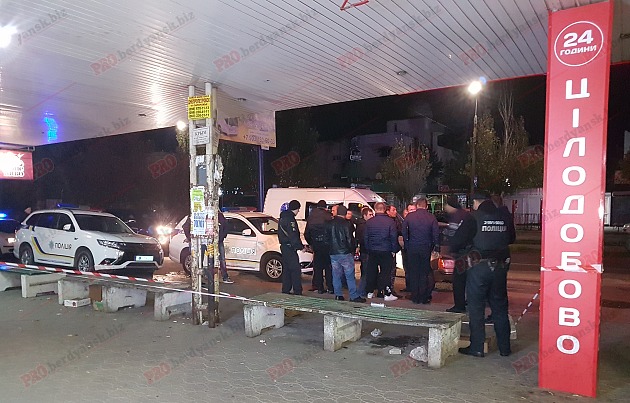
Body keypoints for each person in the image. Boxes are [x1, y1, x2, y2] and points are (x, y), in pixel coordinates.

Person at [459, 192, 515, 358]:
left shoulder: (473, 217)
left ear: (476, 202)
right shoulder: (504, 216)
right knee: (500, 307)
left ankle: (477, 347)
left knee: (476, 307)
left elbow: (459, 241)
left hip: (479, 266)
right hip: (500, 267)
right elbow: (511, 238)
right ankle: (505, 348)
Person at [442, 195, 476, 313]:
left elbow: (452, 233)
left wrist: (446, 241)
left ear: (450, 206)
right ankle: (469, 301)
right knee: (469, 279)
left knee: (458, 281)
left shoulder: (457, 216)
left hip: (462, 253)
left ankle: (459, 305)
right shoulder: (465, 215)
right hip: (471, 252)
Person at [402, 197, 439, 304]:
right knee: (424, 273)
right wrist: (435, 246)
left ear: (417, 205)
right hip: (425, 247)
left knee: (414, 272)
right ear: (426, 206)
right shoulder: (431, 217)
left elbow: (404, 231)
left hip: (412, 247)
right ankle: (423, 297)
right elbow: (435, 234)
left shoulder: (410, 217)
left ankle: (415, 296)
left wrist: (407, 243)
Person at [326, 205, 365, 302]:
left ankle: (338, 295)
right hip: (345, 252)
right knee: (349, 275)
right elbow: (349, 239)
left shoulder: (329, 223)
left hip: (333, 252)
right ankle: (353, 296)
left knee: (336, 274)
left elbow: (326, 238)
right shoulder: (346, 224)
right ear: (345, 213)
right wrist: (353, 249)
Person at [364, 202, 399, 301]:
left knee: (371, 271)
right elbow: (393, 237)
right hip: (386, 250)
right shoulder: (390, 222)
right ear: (384, 209)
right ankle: (387, 293)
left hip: (372, 250)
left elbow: (366, 237)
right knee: (386, 273)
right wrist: (394, 250)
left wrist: (368, 248)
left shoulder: (369, 222)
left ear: (375, 209)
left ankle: (370, 292)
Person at [304, 200, 333, 294]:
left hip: (316, 245)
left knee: (318, 268)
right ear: (325, 207)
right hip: (327, 246)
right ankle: (330, 287)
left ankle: (320, 287)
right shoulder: (328, 216)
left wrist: (312, 243)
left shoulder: (311, 216)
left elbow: (306, 233)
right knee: (328, 267)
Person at [278, 200, 305, 295]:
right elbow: (293, 235)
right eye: (298, 209)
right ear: (295, 209)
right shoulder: (290, 219)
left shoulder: (283, 217)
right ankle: (297, 291)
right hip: (290, 247)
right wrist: (300, 247)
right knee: (295, 270)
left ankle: (286, 289)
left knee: (287, 269)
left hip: (284, 247)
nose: (298, 211)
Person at [354, 207, 373, 298]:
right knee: (366, 272)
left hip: (364, 250)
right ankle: (361, 291)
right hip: (366, 251)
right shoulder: (364, 226)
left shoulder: (361, 225)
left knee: (365, 271)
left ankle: (363, 290)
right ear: (365, 215)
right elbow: (363, 239)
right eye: (370, 214)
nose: (372, 216)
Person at [386, 204, 403, 295]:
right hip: (389, 248)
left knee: (391, 269)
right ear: (387, 212)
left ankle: (389, 288)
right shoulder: (389, 222)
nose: (395, 212)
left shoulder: (396, 220)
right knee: (390, 270)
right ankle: (388, 289)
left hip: (390, 248)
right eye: (393, 210)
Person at [400, 203, 416, 292]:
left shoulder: (417, 222)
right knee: (407, 268)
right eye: (410, 210)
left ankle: (413, 288)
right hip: (406, 249)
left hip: (414, 249)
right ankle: (409, 287)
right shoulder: (404, 222)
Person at [217, 211, 233, 283]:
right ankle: (209, 278)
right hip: (209, 241)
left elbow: (226, 227)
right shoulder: (206, 214)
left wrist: (222, 237)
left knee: (222, 259)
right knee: (209, 260)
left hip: (219, 241)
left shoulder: (220, 216)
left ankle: (225, 277)